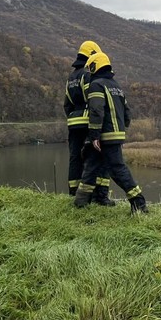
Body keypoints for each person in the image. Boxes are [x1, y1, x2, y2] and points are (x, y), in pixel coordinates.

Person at [74, 52, 148, 214]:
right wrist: (121, 130)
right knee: (92, 165)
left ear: (95, 66)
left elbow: (96, 110)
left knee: (117, 169)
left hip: (104, 135)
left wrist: (94, 135)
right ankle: (81, 201)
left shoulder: (96, 85)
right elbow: (127, 113)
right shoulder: (116, 86)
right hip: (115, 134)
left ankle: (139, 203)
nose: (89, 71)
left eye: (90, 68)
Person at [63, 41, 113, 205]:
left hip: (73, 123)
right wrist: (97, 124)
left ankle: (74, 192)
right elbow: (93, 100)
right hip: (88, 122)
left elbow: (67, 104)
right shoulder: (87, 74)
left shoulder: (71, 78)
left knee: (75, 158)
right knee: (97, 157)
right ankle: (99, 195)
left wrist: (73, 117)